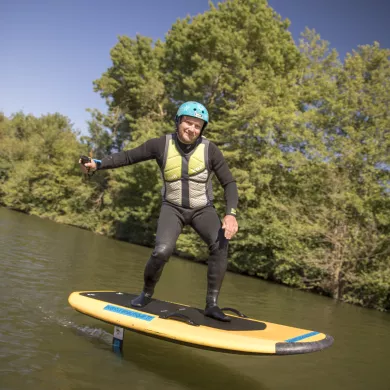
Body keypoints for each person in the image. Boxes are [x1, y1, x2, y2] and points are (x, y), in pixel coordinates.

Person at [80, 101, 238, 322]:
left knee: (221, 242)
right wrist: (98, 163)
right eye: (188, 123)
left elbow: (229, 183)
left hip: (203, 209)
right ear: (178, 122)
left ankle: (212, 305)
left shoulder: (210, 150)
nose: (192, 129)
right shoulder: (160, 145)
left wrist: (230, 214)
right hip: (172, 208)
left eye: (198, 126)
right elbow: (127, 157)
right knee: (162, 251)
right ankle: (146, 293)